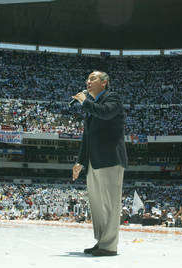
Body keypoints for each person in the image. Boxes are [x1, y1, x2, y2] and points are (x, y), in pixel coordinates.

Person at [71, 70, 128, 257]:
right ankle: (101, 241)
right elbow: (86, 137)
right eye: (87, 78)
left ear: (104, 83)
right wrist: (79, 161)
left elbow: (105, 114)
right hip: (93, 161)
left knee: (110, 205)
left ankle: (109, 246)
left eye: (92, 78)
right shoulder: (92, 105)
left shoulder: (113, 98)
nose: (88, 81)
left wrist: (84, 102)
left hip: (110, 159)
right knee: (97, 205)